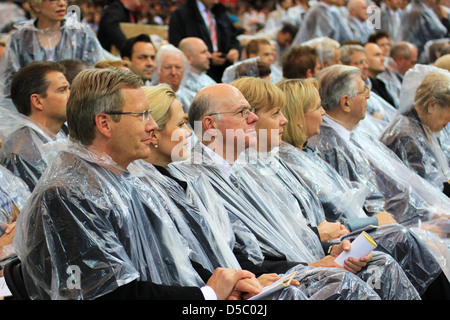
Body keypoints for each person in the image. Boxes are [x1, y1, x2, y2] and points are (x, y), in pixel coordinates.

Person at [12, 67, 263, 300]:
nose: (153, 126)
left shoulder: (128, 178)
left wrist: (229, 284)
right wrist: (207, 295)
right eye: (142, 115)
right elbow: (108, 293)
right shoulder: (69, 193)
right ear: (104, 124)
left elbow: (172, 258)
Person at [168, 82, 421, 300]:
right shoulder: (197, 180)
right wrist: (308, 265)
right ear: (210, 125)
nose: (253, 119)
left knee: (382, 262)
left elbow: (286, 234)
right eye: (243, 112)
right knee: (346, 283)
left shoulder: (245, 169)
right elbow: (239, 256)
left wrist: (330, 251)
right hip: (259, 279)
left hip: (299, 263)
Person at [275, 77, 450, 298]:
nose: (322, 112)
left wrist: (422, 217)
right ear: (298, 117)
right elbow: (324, 222)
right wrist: (375, 221)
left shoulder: (308, 153)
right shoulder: (309, 155)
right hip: (332, 244)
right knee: (402, 240)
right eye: (316, 107)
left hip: (342, 238)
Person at [131, 84, 307, 300]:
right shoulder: (156, 185)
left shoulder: (184, 178)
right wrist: (220, 289)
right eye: (181, 124)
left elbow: (227, 244)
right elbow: (179, 261)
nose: (188, 132)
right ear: (153, 133)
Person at [308, 65, 450, 233]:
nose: (369, 95)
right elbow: (362, 210)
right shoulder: (329, 148)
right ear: (346, 102)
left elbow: (396, 186)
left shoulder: (357, 135)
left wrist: (430, 214)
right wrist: (418, 226)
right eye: (363, 91)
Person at [0, 0, 111, 98]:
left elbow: (97, 76)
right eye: (53, 0)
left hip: (77, 107)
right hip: (32, 111)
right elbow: (8, 85)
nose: (62, 3)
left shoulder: (82, 34)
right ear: (36, 5)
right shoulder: (19, 40)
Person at [380, 65, 450, 196]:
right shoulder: (406, 135)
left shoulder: (422, 125)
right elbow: (424, 189)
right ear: (432, 105)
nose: (448, 121)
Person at [0, 61, 70, 191]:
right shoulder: (21, 155)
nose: (70, 95)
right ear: (37, 101)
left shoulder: (63, 133)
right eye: (62, 90)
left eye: (68, 88)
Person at [168, 0, 241, 83]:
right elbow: (177, 45)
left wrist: (235, 49)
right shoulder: (181, 14)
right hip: (194, 76)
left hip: (222, 72)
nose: (217, 1)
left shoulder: (220, 12)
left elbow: (233, 37)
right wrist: (208, 58)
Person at [151, 44, 194, 113]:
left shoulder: (193, 99)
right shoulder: (149, 97)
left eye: (178, 67)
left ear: (184, 70)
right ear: (158, 70)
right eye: (168, 67)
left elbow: (198, 123)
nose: (173, 73)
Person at [178, 37, 216, 109]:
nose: (209, 56)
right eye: (203, 52)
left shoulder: (208, 79)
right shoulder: (180, 84)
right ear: (188, 58)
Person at [364, 42, 400, 109]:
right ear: (364, 60)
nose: (383, 59)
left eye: (382, 55)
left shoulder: (382, 84)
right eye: (377, 55)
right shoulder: (364, 88)